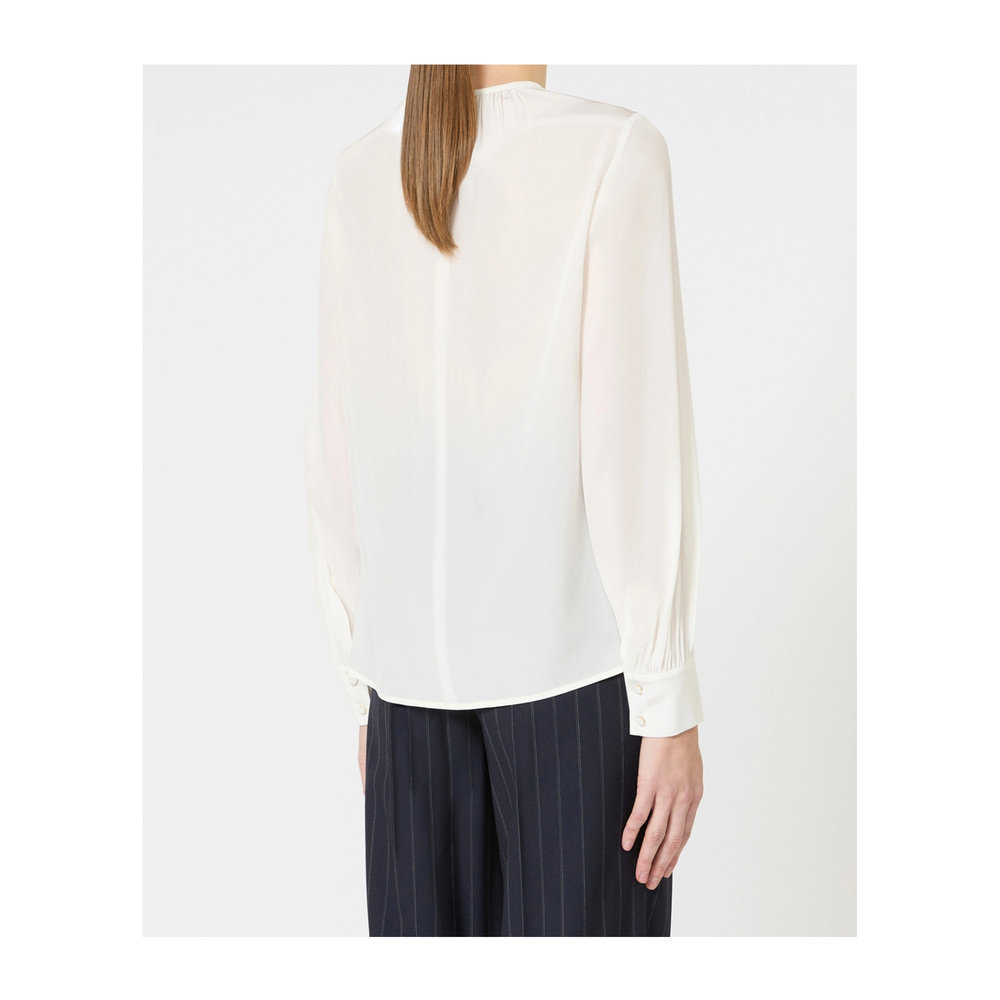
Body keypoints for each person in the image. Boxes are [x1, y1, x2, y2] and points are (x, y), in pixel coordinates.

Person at [304, 64, 705, 937]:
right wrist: (667, 697)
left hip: (407, 702)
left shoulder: (361, 174)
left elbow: (341, 461)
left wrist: (369, 684)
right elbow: (630, 445)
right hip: (574, 694)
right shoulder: (612, 151)